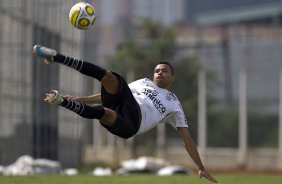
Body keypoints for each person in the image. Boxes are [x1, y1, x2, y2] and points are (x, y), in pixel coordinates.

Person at [32, 44, 218, 183]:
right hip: (126, 102)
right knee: (110, 77)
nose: (159, 73)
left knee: (105, 113)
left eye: (165, 71)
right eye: (157, 70)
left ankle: (62, 102)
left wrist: (200, 167)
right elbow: (116, 92)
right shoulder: (144, 82)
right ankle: (58, 58)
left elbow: (187, 140)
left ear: (173, 77)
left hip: (132, 123)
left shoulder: (175, 104)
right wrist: (80, 99)